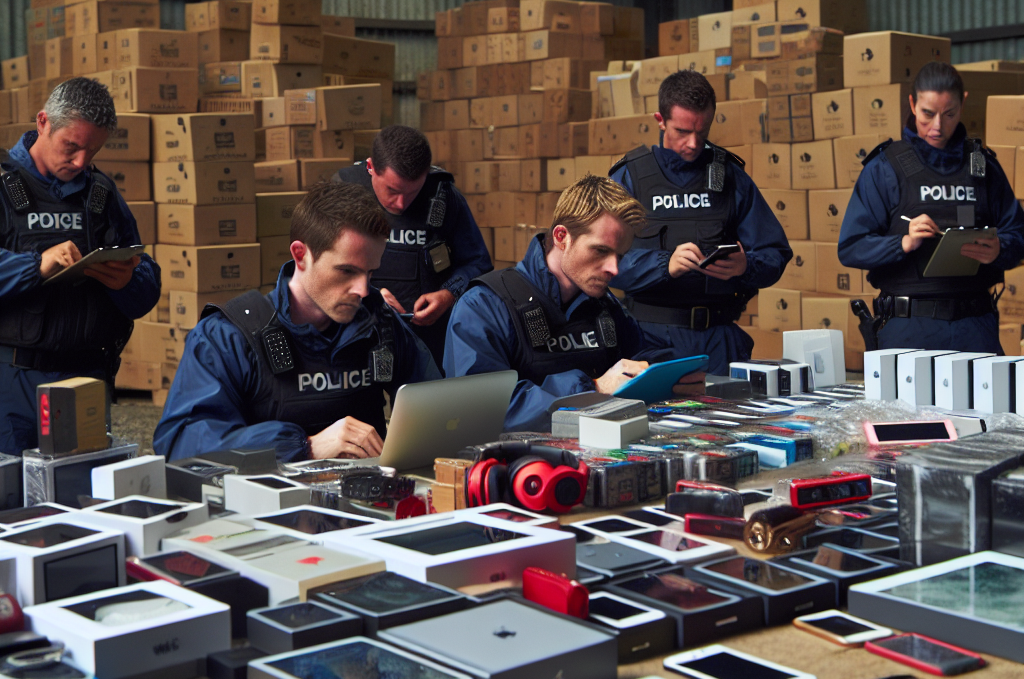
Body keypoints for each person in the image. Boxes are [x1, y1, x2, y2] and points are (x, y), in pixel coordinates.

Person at [154, 181, 439, 463]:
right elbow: (179, 444)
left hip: (369, 498)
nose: (362, 290)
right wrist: (305, 446)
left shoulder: (379, 323)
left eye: (370, 273)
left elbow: (440, 408)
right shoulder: (229, 337)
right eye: (347, 271)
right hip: (266, 503)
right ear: (300, 255)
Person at [445, 175, 696, 432]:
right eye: (600, 251)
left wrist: (668, 375)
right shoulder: (483, 307)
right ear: (562, 237)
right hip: (520, 465)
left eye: (619, 256)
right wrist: (593, 389)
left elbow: (639, 356)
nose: (614, 268)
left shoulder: (604, 307)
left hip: (598, 455)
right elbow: (480, 409)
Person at [0, 78, 160, 455]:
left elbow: (146, 282)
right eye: (70, 146)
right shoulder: (4, 187)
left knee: (82, 493)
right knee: (12, 501)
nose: (80, 162)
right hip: (13, 381)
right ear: (43, 123)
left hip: (86, 378)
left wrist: (129, 281)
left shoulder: (101, 194)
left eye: (92, 150)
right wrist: (35, 266)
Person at [608, 70, 792, 374]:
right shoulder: (630, 178)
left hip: (718, 340)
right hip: (648, 339)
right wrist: (663, 264)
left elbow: (776, 253)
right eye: (682, 131)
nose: (693, 143)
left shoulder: (730, 177)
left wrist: (747, 266)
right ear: (660, 120)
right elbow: (599, 261)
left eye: (702, 131)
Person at [838, 61, 1024, 352]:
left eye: (949, 114)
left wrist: (1001, 248)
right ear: (912, 104)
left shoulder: (982, 166)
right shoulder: (886, 168)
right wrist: (902, 242)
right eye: (928, 114)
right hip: (909, 329)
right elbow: (850, 247)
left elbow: (1019, 234)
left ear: (962, 104)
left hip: (975, 327)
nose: (937, 125)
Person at [333, 125, 491, 369]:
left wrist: (449, 294)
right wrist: (369, 297)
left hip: (426, 340)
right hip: (356, 332)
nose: (401, 203)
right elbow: (314, 269)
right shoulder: (343, 192)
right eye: (392, 191)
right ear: (370, 167)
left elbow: (478, 263)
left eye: (413, 192)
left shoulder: (443, 196)